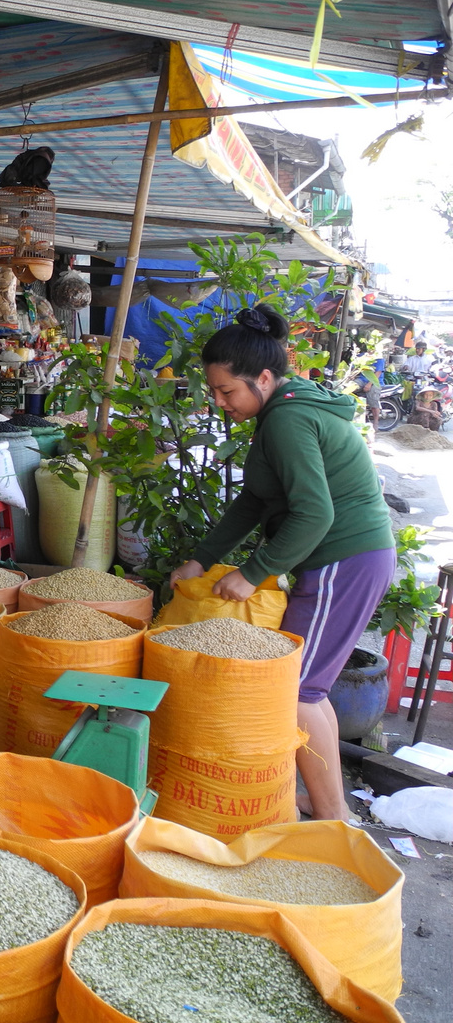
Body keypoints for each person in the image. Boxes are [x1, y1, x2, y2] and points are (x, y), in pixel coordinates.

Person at [169, 305, 395, 823]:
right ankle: (326, 802)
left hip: (345, 558)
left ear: (264, 378)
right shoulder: (282, 412)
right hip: (348, 559)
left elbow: (316, 513)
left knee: (294, 690)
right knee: (306, 686)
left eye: (228, 392)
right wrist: (201, 559)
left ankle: (333, 816)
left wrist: (251, 574)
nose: (221, 402)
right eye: (216, 392)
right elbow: (255, 501)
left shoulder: (288, 419)